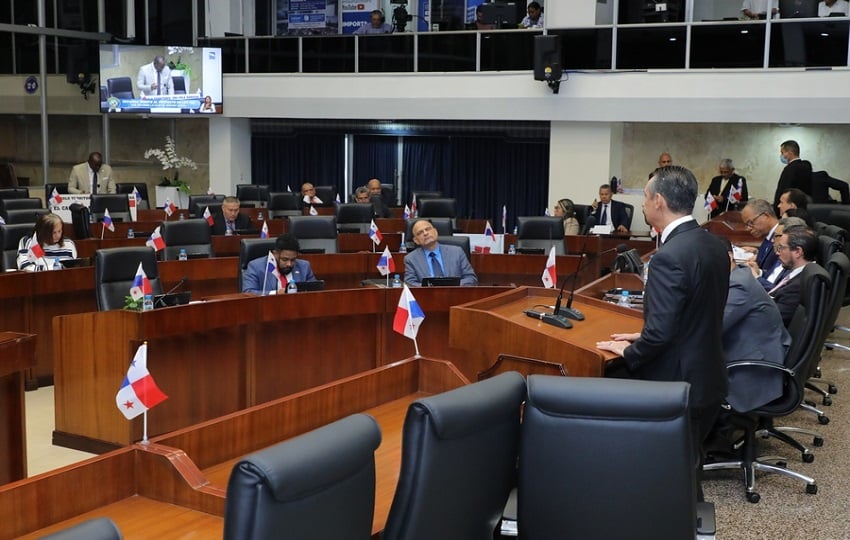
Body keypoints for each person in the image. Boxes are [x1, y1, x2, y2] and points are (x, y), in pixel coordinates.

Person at [596, 166, 730, 471]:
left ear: (658, 201)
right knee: (686, 468)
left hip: (676, 383)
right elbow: (696, 313)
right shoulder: (712, 244)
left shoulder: (668, 257)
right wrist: (643, 336)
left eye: (644, 196)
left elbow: (660, 336)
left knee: (668, 472)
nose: (642, 204)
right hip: (708, 377)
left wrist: (631, 351)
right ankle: (690, 519)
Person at [719, 236, 791, 412]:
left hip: (752, 372)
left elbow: (710, 329)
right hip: (750, 355)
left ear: (728, 257)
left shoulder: (738, 285)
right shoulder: (739, 275)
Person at [404, 219, 478, 286]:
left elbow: (471, 278)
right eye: (420, 232)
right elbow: (410, 283)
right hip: (427, 297)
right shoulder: (411, 259)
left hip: (456, 296)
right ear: (416, 240)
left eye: (428, 229)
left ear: (435, 232)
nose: (425, 233)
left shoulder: (457, 252)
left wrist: (452, 286)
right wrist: (429, 288)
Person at [769, 224, 818, 327]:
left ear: (797, 252)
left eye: (781, 248)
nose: (777, 253)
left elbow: (771, 318)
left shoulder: (797, 286)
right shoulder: (798, 273)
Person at [242, 233, 316, 295]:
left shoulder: (304, 267)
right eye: (285, 259)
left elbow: (315, 291)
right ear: (275, 254)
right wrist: (275, 293)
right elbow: (248, 292)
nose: (289, 264)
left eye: (293, 260)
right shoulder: (256, 266)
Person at [740, 199, 780, 276]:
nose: (748, 228)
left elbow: (776, 276)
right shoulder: (768, 235)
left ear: (766, 216)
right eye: (747, 225)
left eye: (751, 222)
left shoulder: (781, 237)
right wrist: (758, 253)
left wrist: (758, 273)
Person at [774, 140, 813, 206]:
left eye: (782, 152)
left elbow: (782, 190)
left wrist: (776, 207)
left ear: (790, 153)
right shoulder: (806, 166)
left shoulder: (790, 169)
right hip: (804, 206)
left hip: (790, 207)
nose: (782, 155)